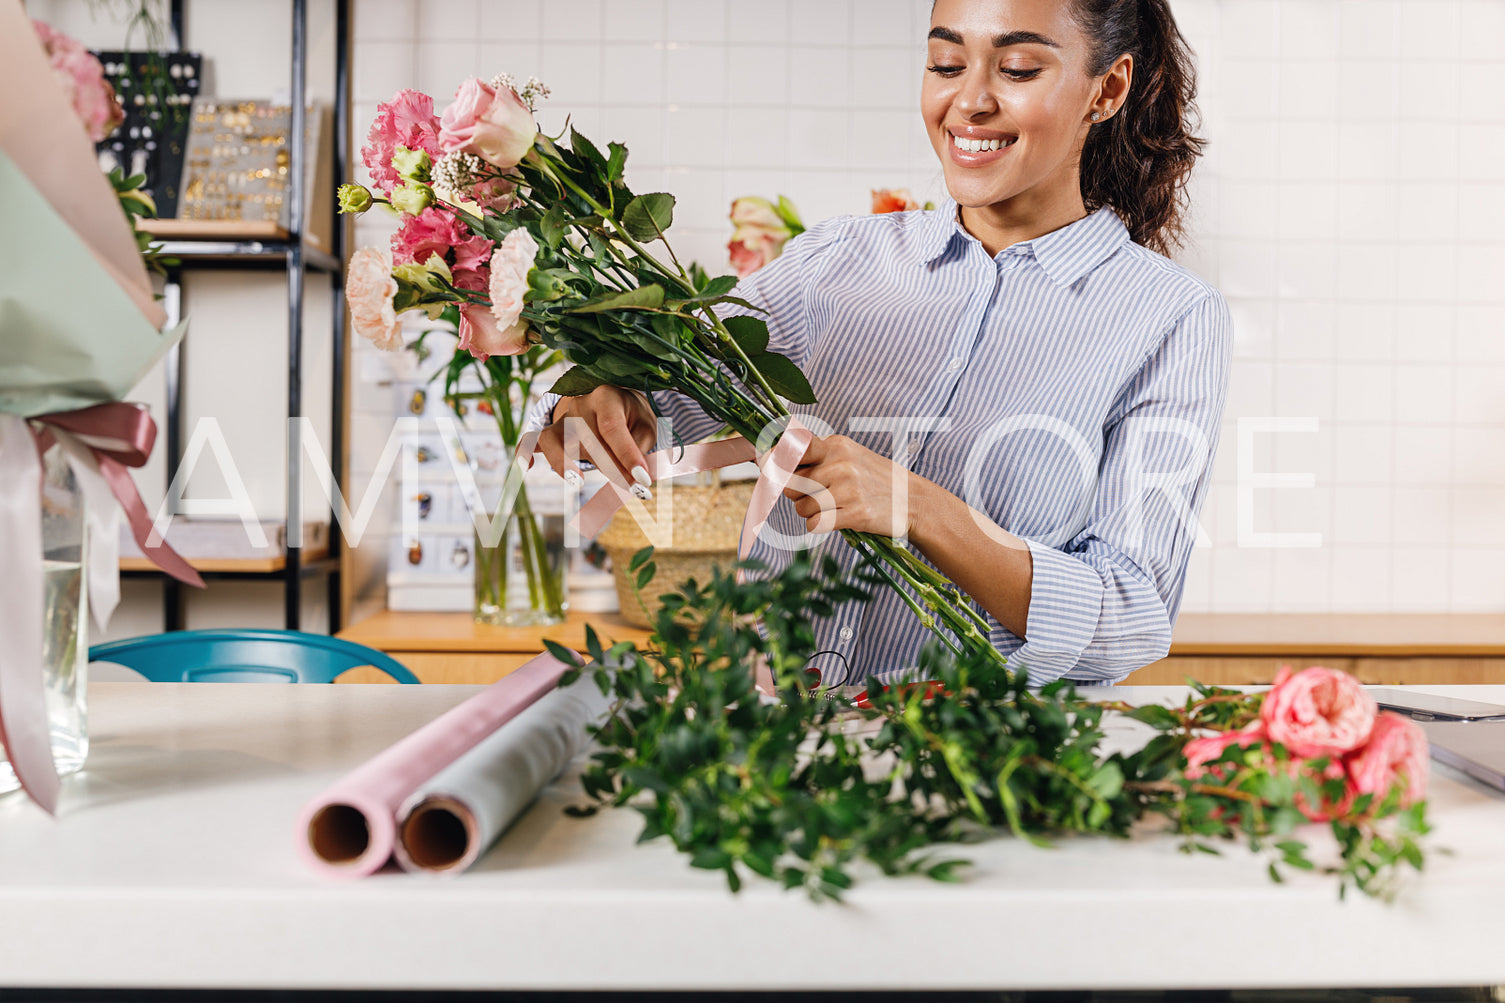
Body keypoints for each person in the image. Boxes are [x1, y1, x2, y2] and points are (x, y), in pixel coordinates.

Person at [533, 0, 1231, 688]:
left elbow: (1129, 617)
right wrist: (600, 397)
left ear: (1106, 89)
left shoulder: (1168, 316)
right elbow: (663, 391)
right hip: (771, 745)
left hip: (972, 763)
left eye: (1017, 69)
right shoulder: (835, 262)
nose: (968, 100)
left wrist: (919, 509)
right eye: (945, 62)